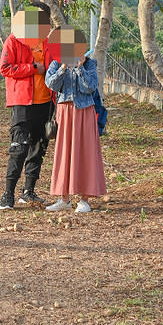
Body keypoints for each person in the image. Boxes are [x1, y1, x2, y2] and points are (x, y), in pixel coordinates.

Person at [0, 18, 59, 210]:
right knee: (19, 147)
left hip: (46, 102)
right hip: (23, 102)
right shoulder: (13, 41)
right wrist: (34, 68)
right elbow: (5, 68)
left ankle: (28, 191)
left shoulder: (49, 43)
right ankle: (8, 194)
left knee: (38, 148)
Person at [43, 50, 107, 213]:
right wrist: (64, 67)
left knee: (86, 154)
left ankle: (84, 200)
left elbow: (90, 87)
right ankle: (64, 199)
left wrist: (80, 68)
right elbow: (51, 84)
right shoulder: (56, 63)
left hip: (84, 112)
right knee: (64, 154)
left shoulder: (89, 64)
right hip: (64, 113)